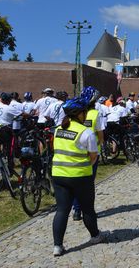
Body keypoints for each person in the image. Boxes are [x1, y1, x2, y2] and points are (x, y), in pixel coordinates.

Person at [51, 96, 104, 257]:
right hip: (80, 176)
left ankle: (57, 246)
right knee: (87, 208)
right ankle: (95, 236)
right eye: (84, 112)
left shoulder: (58, 129)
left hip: (59, 174)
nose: (86, 114)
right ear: (79, 114)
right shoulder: (86, 132)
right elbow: (93, 156)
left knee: (61, 210)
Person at [72, 86, 103, 221]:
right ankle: (88, 210)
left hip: (76, 150)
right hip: (92, 153)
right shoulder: (95, 114)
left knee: (76, 183)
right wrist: (99, 146)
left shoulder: (75, 112)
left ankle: (76, 210)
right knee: (88, 184)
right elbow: (100, 135)